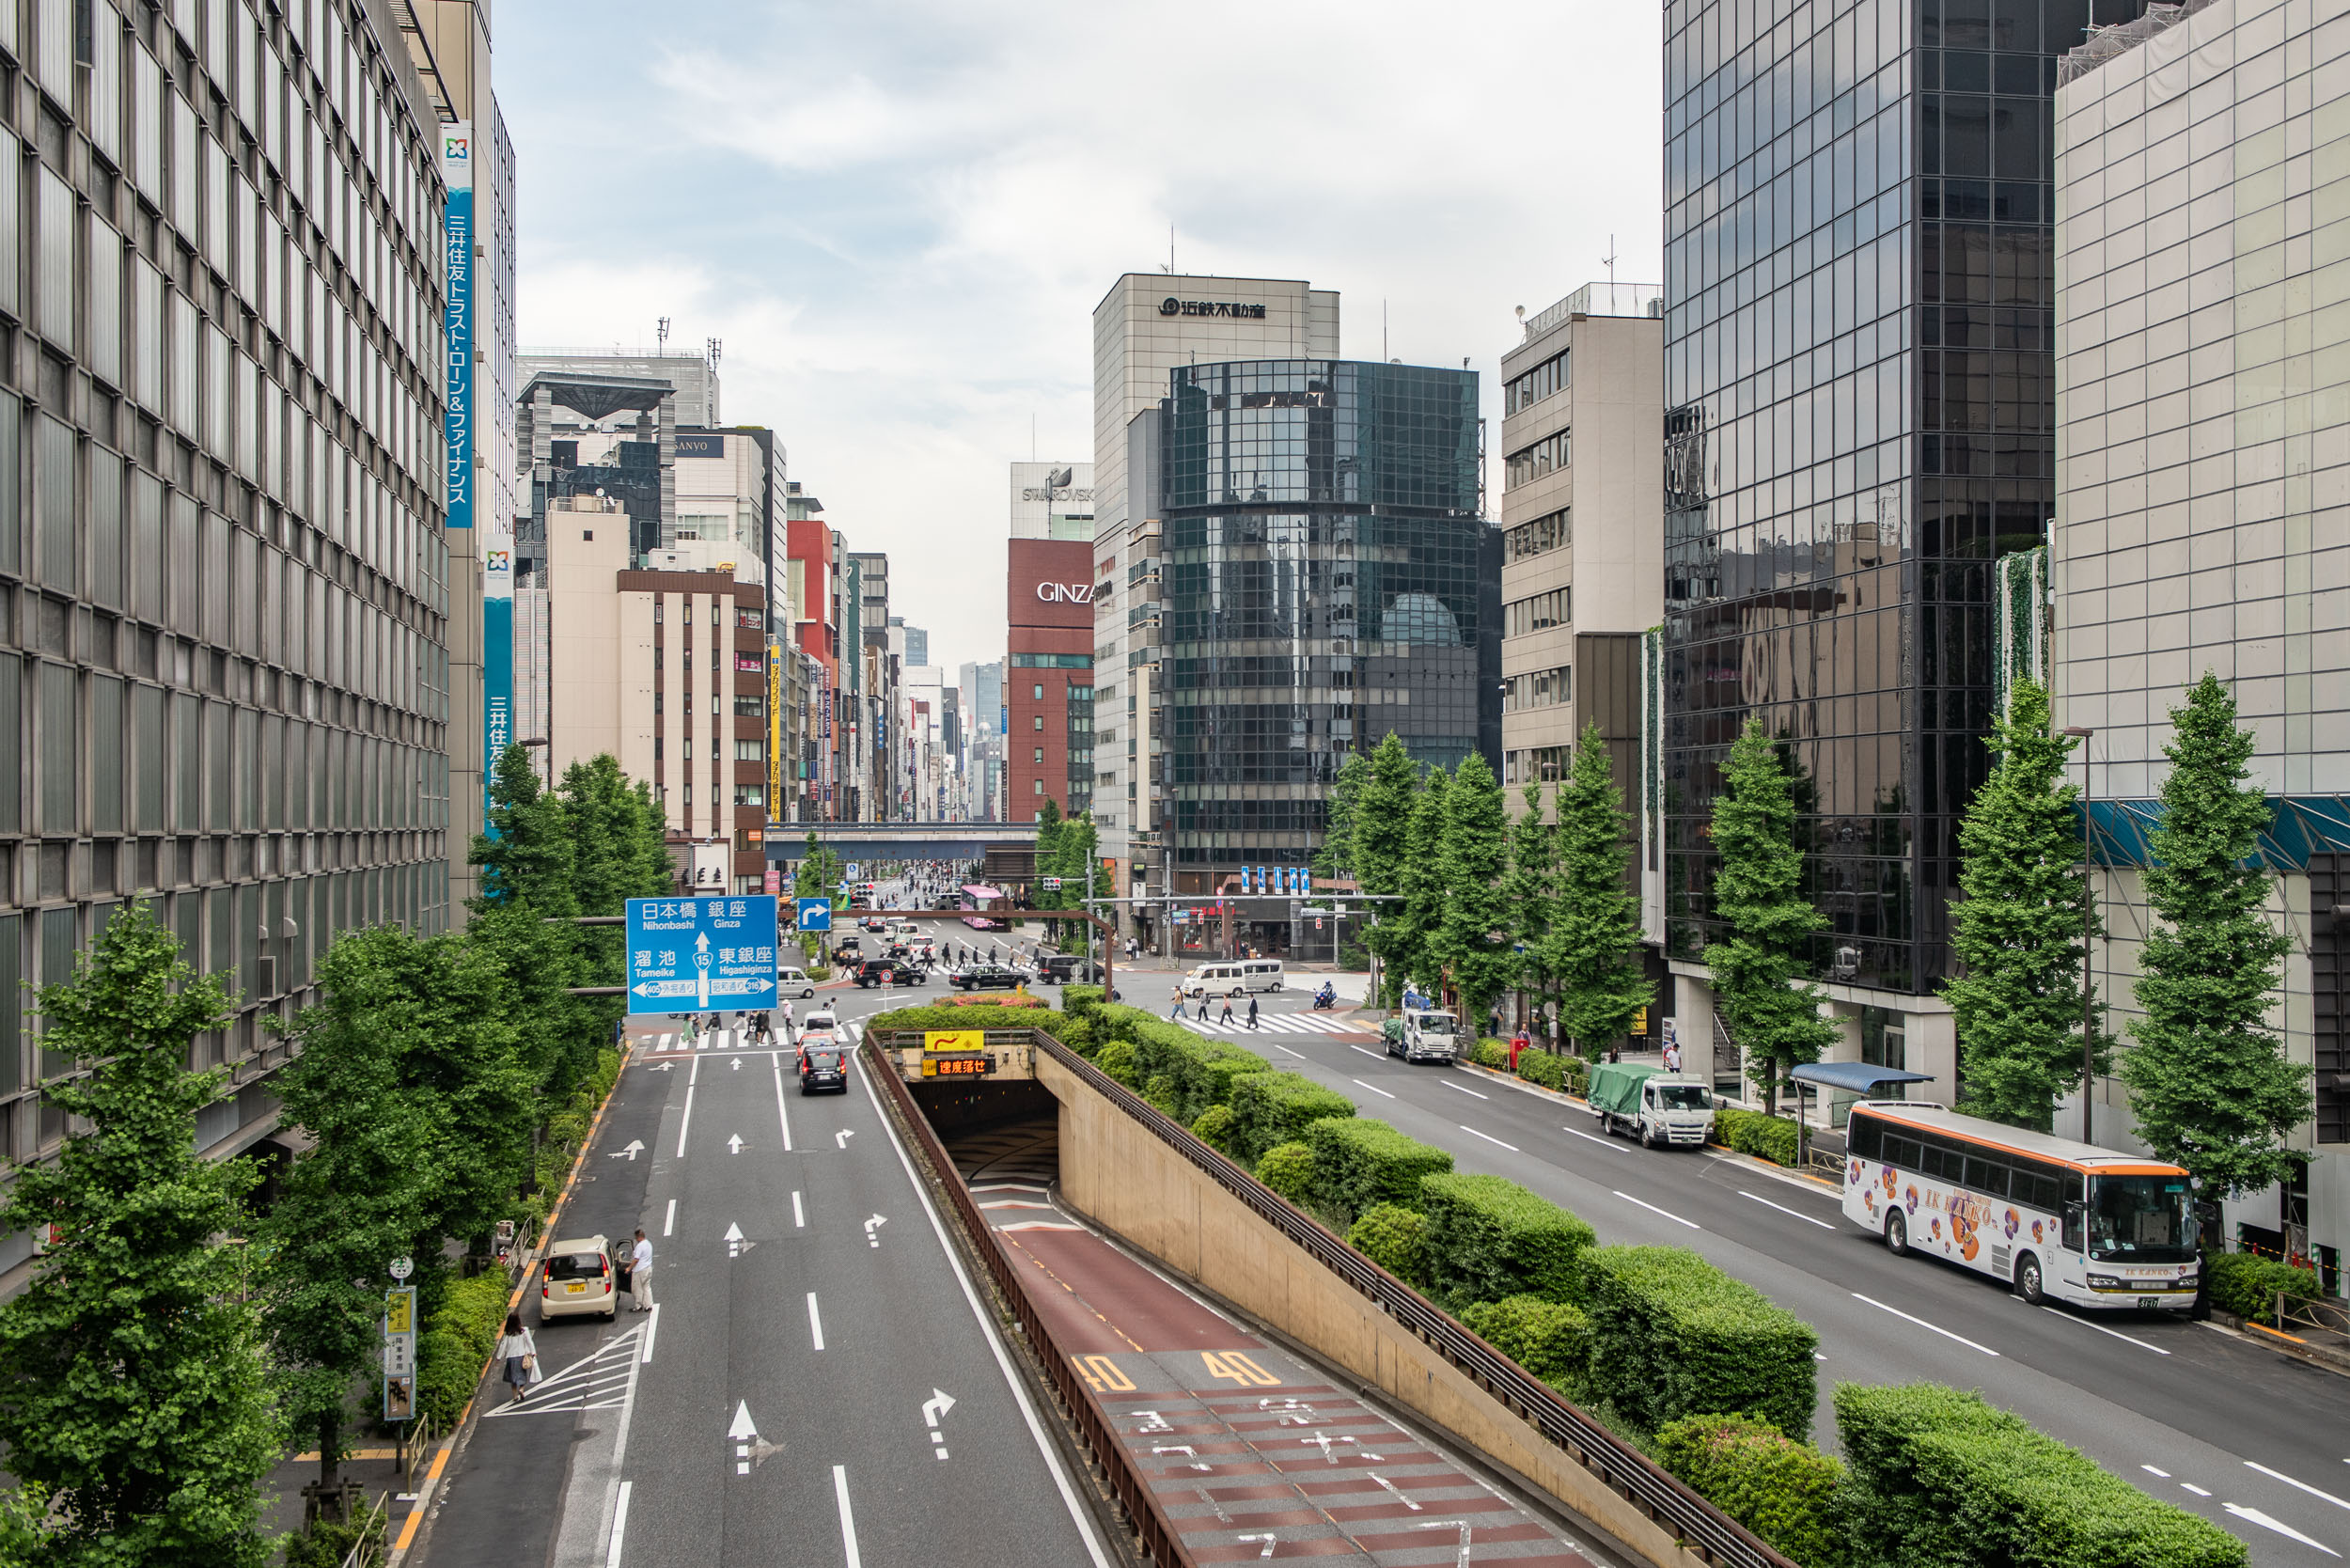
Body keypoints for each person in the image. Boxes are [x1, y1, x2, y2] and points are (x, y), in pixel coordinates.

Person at [497, 1312, 536, 1404]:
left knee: (513, 1378)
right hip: (521, 1356)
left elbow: (503, 1346)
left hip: (510, 1358)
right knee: (522, 1376)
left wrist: (499, 1357)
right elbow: (529, 1342)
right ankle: (521, 1389)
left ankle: (515, 1396)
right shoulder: (524, 1331)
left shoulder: (508, 1333)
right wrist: (533, 1352)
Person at [630, 1229, 654, 1312]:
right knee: (647, 1287)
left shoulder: (640, 1246)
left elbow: (636, 1259)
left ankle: (638, 1306)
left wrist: (629, 1268)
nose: (636, 1239)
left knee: (637, 1288)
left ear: (639, 1237)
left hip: (639, 1270)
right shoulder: (648, 1244)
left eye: (636, 1238)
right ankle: (649, 1305)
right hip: (648, 1268)